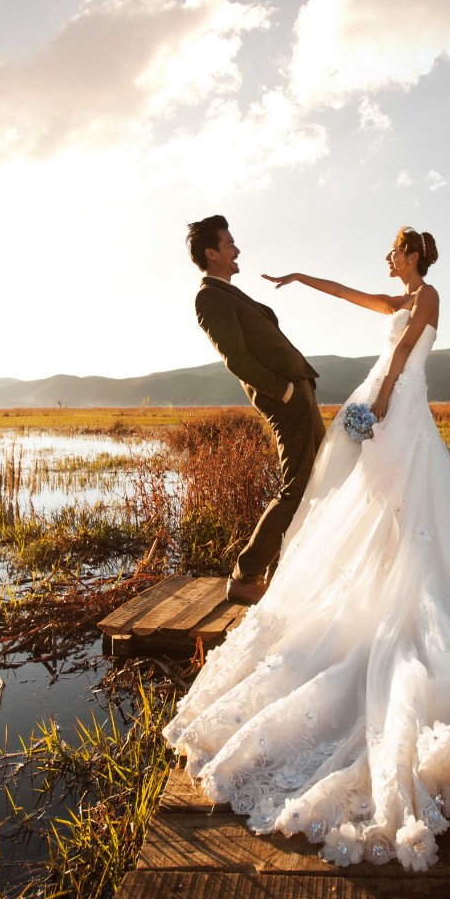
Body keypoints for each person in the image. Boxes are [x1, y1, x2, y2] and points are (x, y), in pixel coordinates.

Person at [164, 227, 450, 871]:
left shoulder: (427, 297)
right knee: (376, 510)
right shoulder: (398, 299)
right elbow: (353, 295)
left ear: (412, 256)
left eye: (393, 254)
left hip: (399, 406)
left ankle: (404, 588)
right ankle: (382, 579)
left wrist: (380, 407)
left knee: (404, 505)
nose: (387, 262)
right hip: (388, 406)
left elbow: (399, 357)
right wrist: (304, 280)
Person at [186, 215, 324, 606]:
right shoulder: (209, 297)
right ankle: (246, 576)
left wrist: (299, 386)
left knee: (319, 481)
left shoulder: (230, 292)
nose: (237, 249)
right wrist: (282, 391)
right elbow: (237, 358)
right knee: (297, 487)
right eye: (230, 243)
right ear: (212, 253)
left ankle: (287, 571)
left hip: (300, 390)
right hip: (286, 398)